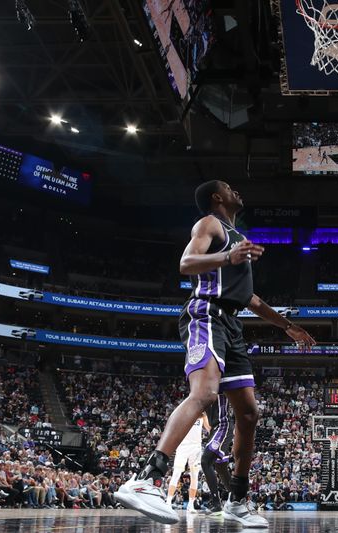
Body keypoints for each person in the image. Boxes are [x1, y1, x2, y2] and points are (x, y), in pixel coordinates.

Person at [115, 180, 316, 526]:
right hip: (206, 314)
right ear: (216, 197)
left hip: (232, 324)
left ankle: (237, 500)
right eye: (229, 187)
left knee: (249, 413)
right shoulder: (209, 224)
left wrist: (287, 326)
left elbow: (251, 299)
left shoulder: (239, 239)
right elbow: (186, 262)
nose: (237, 190)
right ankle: (147, 477)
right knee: (205, 393)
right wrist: (227, 256)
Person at [165, 412, 209, 512]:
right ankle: (168, 502)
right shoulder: (185, 412)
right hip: (183, 447)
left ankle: (191, 504)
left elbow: (209, 429)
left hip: (196, 447)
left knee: (194, 476)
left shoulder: (202, 415)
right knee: (176, 474)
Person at [201, 394, 234, 513]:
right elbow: (204, 415)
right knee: (220, 467)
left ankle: (216, 502)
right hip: (215, 429)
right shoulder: (201, 387)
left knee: (205, 461)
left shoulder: (217, 383)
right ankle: (236, 499)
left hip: (223, 425)